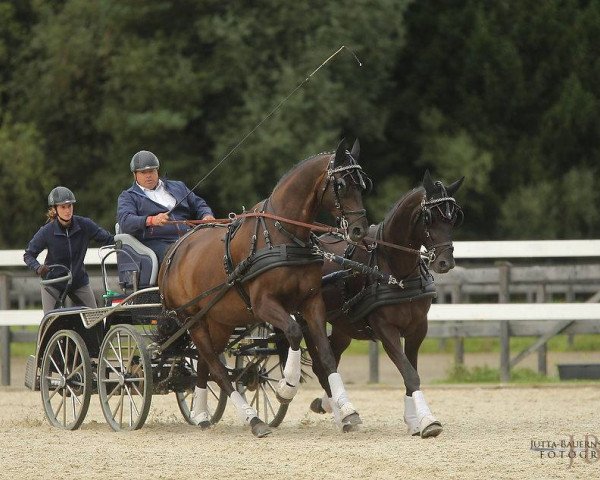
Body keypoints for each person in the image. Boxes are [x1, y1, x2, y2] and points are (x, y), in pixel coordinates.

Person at [24, 187, 115, 313]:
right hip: (53, 282)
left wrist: (122, 238)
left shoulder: (84, 225)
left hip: (78, 281)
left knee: (94, 317)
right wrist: (38, 267)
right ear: (55, 209)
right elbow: (28, 254)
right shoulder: (46, 231)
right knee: (49, 321)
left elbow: (108, 239)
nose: (67, 211)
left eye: (69, 206)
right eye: (63, 207)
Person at [116, 150, 215, 264]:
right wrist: (151, 220)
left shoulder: (178, 186)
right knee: (180, 255)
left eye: (151, 171)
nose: (148, 176)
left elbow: (199, 204)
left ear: (157, 171)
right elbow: (126, 221)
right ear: (135, 174)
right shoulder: (128, 196)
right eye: (143, 172)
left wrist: (206, 215)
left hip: (188, 236)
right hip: (156, 242)